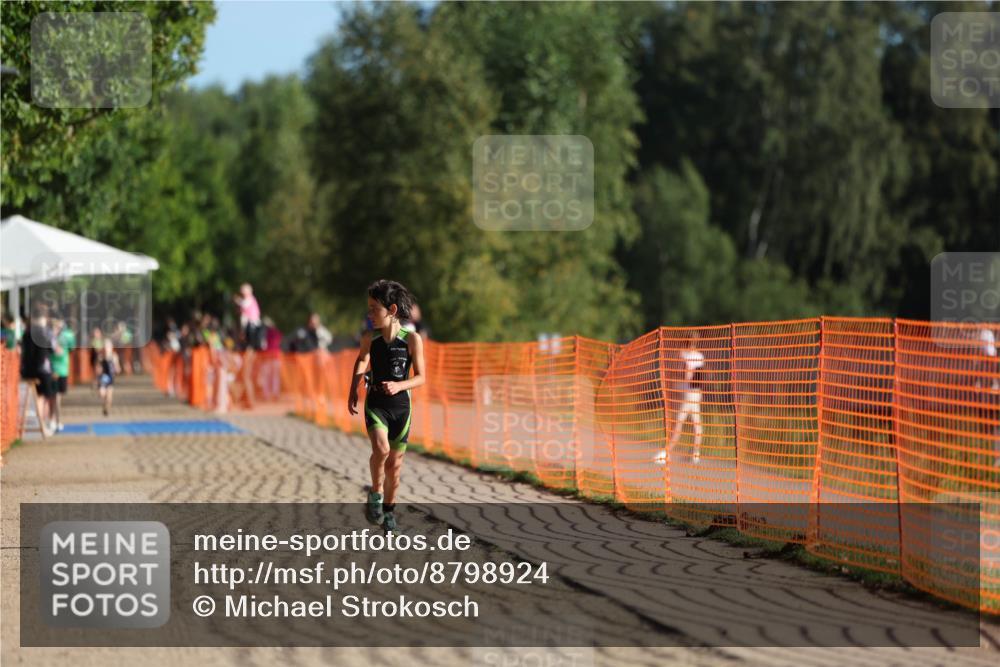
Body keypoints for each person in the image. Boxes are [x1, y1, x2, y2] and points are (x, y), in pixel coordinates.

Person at [348, 280, 426, 534]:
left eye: (373, 308)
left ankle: (390, 511)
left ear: (391, 310)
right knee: (380, 449)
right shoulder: (370, 338)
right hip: (377, 405)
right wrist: (353, 389)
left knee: (395, 465)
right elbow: (362, 360)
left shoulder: (412, 340)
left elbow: (421, 376)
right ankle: (376, 492)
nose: (369, 314)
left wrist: (400, 386)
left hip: (402, 408)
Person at [657, 332, 705, 465]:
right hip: (693, 392)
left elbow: (686, 374)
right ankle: (694, 453)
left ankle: (667, 452)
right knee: (694, 424)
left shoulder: (685, 355)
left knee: (679, 423)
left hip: (688, 393)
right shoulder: (696, 356)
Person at [20, 305, 57, 435]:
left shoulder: (26, 332)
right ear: (43, 318)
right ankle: (42, 424)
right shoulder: (42, 332)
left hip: (27, 370)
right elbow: (48, 351)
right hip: (42, 371)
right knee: (43, 397)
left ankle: (40, 424)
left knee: (39, 398)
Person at [49, 316, 76, 432]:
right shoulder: (51, 335)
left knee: (56, 397)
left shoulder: (66, 335)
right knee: (55, 397)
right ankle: (54, 421)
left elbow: (71, 349)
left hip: (62, 369)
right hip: (53, 369)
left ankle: (54, 420)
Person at [259, 316, 283, 400]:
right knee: (273, 377)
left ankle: (269, 394)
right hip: (272, 357)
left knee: (269, 377)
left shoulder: (266, 333)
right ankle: (272, 394)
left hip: (270, 357)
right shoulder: (275, 332)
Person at [96, 338, 121, 416]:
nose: (107, 348)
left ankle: (106, 408)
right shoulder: (100, 356)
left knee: (109, 399)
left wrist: (117, 369)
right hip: (103, 378)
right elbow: (97, 368)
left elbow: (118, 368)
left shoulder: (114, 356)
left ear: (111, 347)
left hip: (110, 378)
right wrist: (98, 374)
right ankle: (104, 401)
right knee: (102, 394)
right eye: (105, 346)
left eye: (108, 346)